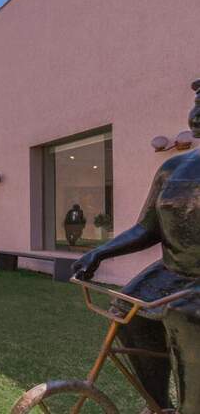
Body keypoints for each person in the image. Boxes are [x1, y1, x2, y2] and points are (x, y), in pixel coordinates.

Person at [72, 80, 200, 412]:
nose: (197, 112)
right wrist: (99, 251)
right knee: (126, 310)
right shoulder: (174, 167)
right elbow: (146, 227)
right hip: (174, 271)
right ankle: (158, 405)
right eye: (197, 102)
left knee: (185, 317)